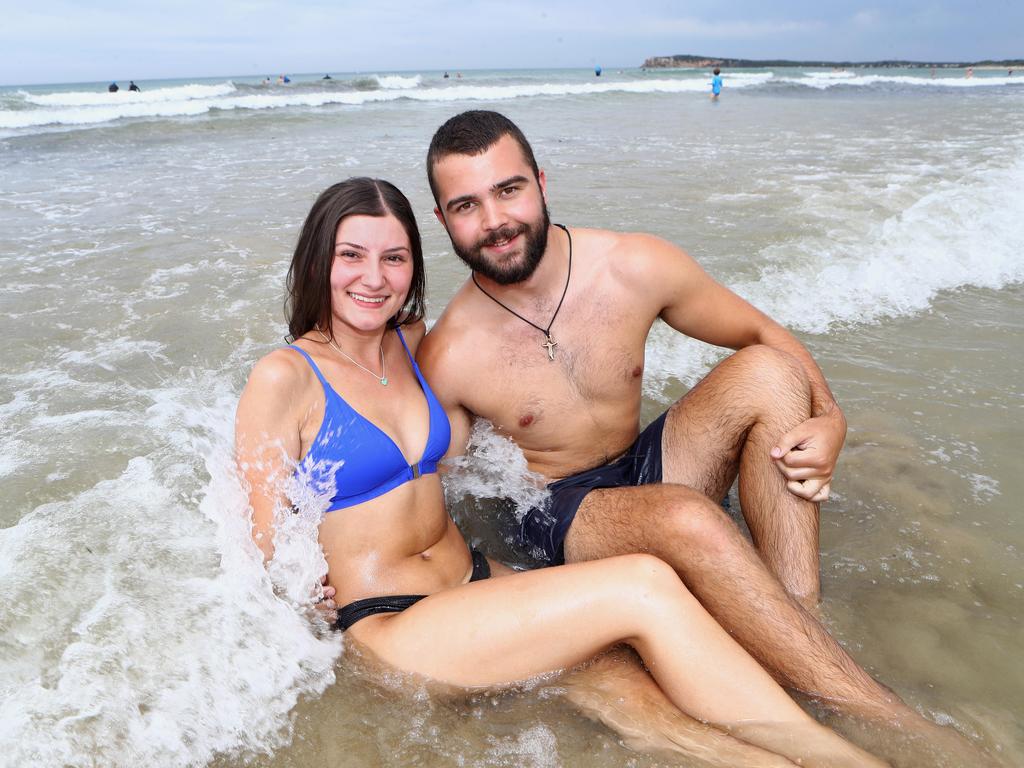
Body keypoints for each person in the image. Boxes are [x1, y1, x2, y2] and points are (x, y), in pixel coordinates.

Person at [236, 177, 885, 767]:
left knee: (639, 693)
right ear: (318, 259)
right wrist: (299, 598)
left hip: (476, 581)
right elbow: (268, 544)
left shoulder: (411, 342)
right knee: (643, 587)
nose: (373, 277)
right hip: (393, 622)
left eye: (394, 257)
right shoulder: (285, 378)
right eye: (352, 255)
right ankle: (857, 762)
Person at [416, 110, 976, 736]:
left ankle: (800, 626)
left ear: (542, 183)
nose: (494, 222)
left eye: (508, 190)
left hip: (644, 468)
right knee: (687, 516)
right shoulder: (449, 356)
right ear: (443, 221)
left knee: (769, 372)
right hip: (554, 514)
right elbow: (428, 492)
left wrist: (832, 421)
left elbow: (764, 334)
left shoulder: (633, 265)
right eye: (466, 205)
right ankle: (892, 720)